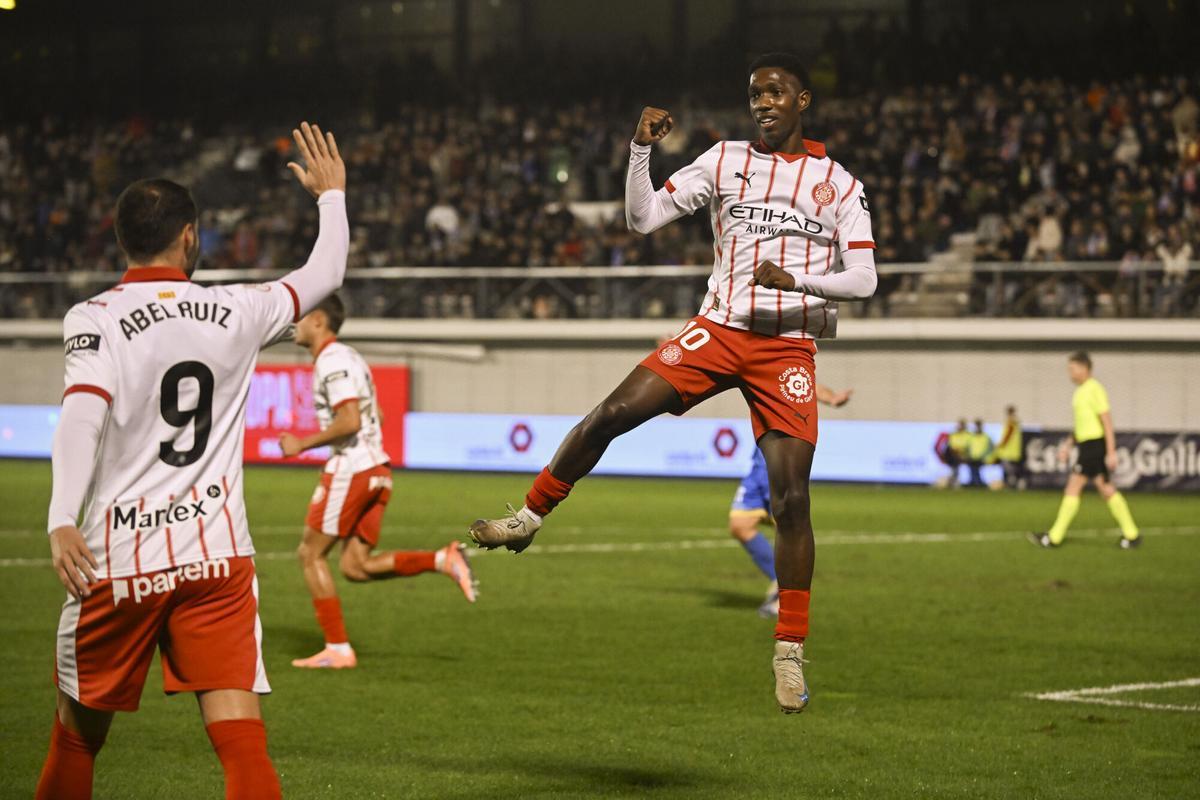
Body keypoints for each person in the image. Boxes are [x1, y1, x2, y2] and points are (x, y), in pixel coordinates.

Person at [469, 52, 878, 714]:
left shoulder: (839, 184)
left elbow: (865, 280)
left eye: (776, 92)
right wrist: (638, 152)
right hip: (718, 329)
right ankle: (528, 516)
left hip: (787, 350)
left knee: (791, 500)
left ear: (804, 100)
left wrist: (797, 280)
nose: (763, 102)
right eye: (754, 94)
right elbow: (643, 219)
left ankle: (790, 650)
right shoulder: (724, 161)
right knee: (612, 413)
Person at [38, 122, 347, 800]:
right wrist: (331, 195)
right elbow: (325, 273)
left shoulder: (94, 316)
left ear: (124, 240)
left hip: (119, 562)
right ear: (188, 235)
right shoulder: (238, 308)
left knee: (76, 737)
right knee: (241, 741)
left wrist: (63, 516)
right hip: (216, 560)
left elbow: (82, 416)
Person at [282, 294, 477, 669]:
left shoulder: (332, 361)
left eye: (301, 316)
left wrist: (301, 444)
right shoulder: (351, 357)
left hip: (352, 468)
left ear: (319, 320)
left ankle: (337, 648)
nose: (295, 324)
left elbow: (352, 420)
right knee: (356, 566)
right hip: (378, 471)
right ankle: (442, 559)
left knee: (310, 554)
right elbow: (379, 415)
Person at [730, 385, 852, 618]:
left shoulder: (782, 363)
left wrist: (831, 398)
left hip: (779, 462)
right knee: (740, 526)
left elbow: (801, 381)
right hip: (757, 465)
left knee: (789, 531)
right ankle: (780, 581)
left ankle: (787, 598)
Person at [1029, 352, 1141, 549]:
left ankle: (1054, 537)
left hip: (1094, 446)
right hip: (1087, 445)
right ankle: (1131, 534)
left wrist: (1111, 451)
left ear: (1084, 368)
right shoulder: (1080, 391)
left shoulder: (1094, 389)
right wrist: (1068, 445)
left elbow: (1106, 421)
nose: (1069, 373)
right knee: (1106, 489)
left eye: (1072, 369)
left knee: (1074, 487)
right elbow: (1082, 426)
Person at [991, 405, 1026, 489]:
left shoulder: (1010, 421)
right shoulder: (1016, 421)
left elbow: (1008, 434)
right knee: (1013, 468)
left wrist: (1002, 444)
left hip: (1008, 450)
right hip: (1013, 450)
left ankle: (1013, 482)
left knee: (1009, 469)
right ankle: (1016, 482)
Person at [965, 419, 993, 487]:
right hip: (972, 458)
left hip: (982, 458)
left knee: (975, 467)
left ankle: (976, 482)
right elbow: (967, 448)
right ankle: (976, 482)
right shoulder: (971, 437)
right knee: (973, 466)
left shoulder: (986, 437)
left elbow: (990, 448)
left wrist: (984, 456)